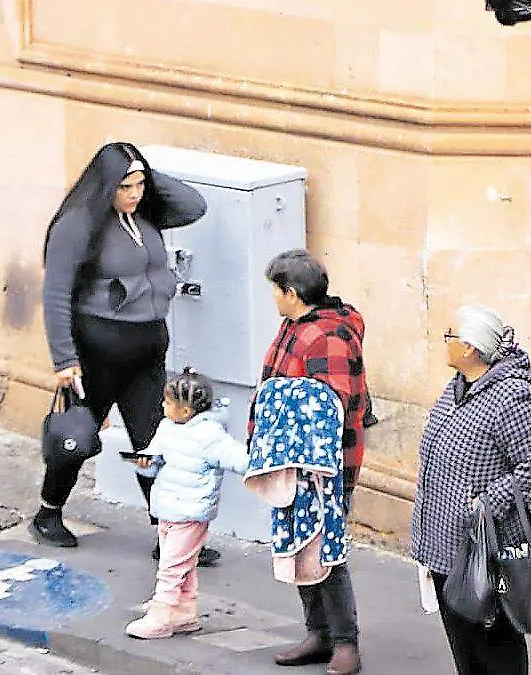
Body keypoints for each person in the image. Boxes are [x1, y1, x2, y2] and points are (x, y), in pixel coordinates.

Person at [35, 141, 221, 566]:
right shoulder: (79, 224)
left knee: (154, 442)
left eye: (139, 185)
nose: (134, 193)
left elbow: (193, 205)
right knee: (77, 436)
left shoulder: (143, 215)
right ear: (104, 186)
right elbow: (56, 293)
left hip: (146, 349)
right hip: (97, 351)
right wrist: (64, 359)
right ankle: (49, 513)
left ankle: (169, 531)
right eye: (125, 185)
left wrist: (146, 172)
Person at [410, 305, 531, 675]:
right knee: (464, 645)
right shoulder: (457, 388)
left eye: (450, 336)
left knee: (495, 647)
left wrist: (488, 503)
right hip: (446, 544)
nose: (445, 343)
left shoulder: (511, 397)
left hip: (489, 549)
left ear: (471, 347)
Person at [253, 249, 367, 675]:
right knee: (300, 544)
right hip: (291, 462)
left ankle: (345, 641)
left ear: (292, 292)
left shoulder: (326, 338)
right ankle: (318, 633)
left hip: (323, 468)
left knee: (326, 548)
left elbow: (329, 406)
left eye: (276, 291)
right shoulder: (296, 326)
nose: (273, 299)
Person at [124, 367, 249, 639]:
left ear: (186, 411)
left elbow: (239, 458)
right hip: (168, 506)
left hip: (191, 512)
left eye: (168, 402)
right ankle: (184, 612)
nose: (162, 405)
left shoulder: (210, 435)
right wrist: (145, 462)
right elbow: (155, 458)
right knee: (184, 564)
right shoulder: (167, 427)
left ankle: (160, 616)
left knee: (170, 566)